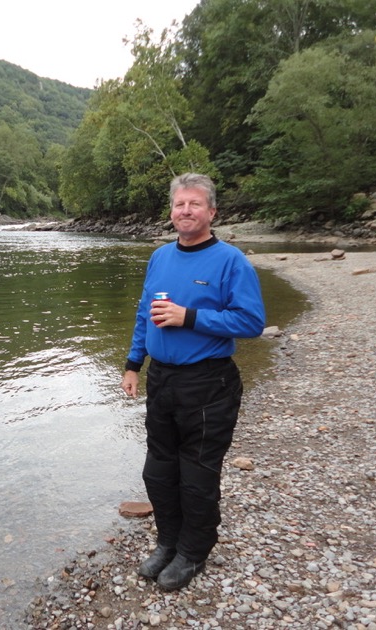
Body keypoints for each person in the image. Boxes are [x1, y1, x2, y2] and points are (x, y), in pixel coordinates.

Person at [120, 172, 266, 591]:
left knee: (197, 475)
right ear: (171, 211)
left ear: (212, 212)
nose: (186, 210)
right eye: (180, 204)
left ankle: (193, 552)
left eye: (195, 204)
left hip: (208, 383)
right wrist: (133, 364)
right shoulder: (160, 257)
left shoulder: (230, 260)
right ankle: (168, 542)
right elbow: (144, 314)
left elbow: (252, 322)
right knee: (159, 470)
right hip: (162, 381)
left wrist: (191, 317)